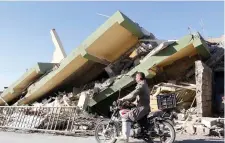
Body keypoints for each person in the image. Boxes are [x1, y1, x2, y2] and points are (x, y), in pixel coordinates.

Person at [117, 72, 150, 142]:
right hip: (145, 107)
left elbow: (132, 94)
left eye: (136, 77)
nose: (135, 78)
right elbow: (140, 98)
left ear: (139, 77)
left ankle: (125, 137)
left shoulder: (141, 85)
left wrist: (123, 99)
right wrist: (131, 103)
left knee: (125, 117)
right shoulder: (145, 84)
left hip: (142, 108)